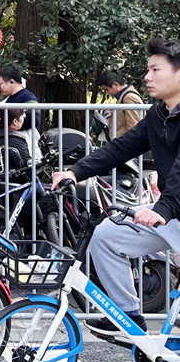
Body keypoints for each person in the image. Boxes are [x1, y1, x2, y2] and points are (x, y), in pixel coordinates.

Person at [52, 36, 180, 335]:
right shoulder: (158, 113)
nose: (147, 77)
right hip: (173, 214)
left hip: (171, 210)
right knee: (107, 235)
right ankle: (128, 316)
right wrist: (76, 171)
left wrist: (164, 207)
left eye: (155, 69)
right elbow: (121, 148)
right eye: (147, 69)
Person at [96, 69, 145, 138]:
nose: (107, 93)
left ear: (116, 85)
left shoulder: (128, 98)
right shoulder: (125, 96)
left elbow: (134, 127)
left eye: (107, 89)